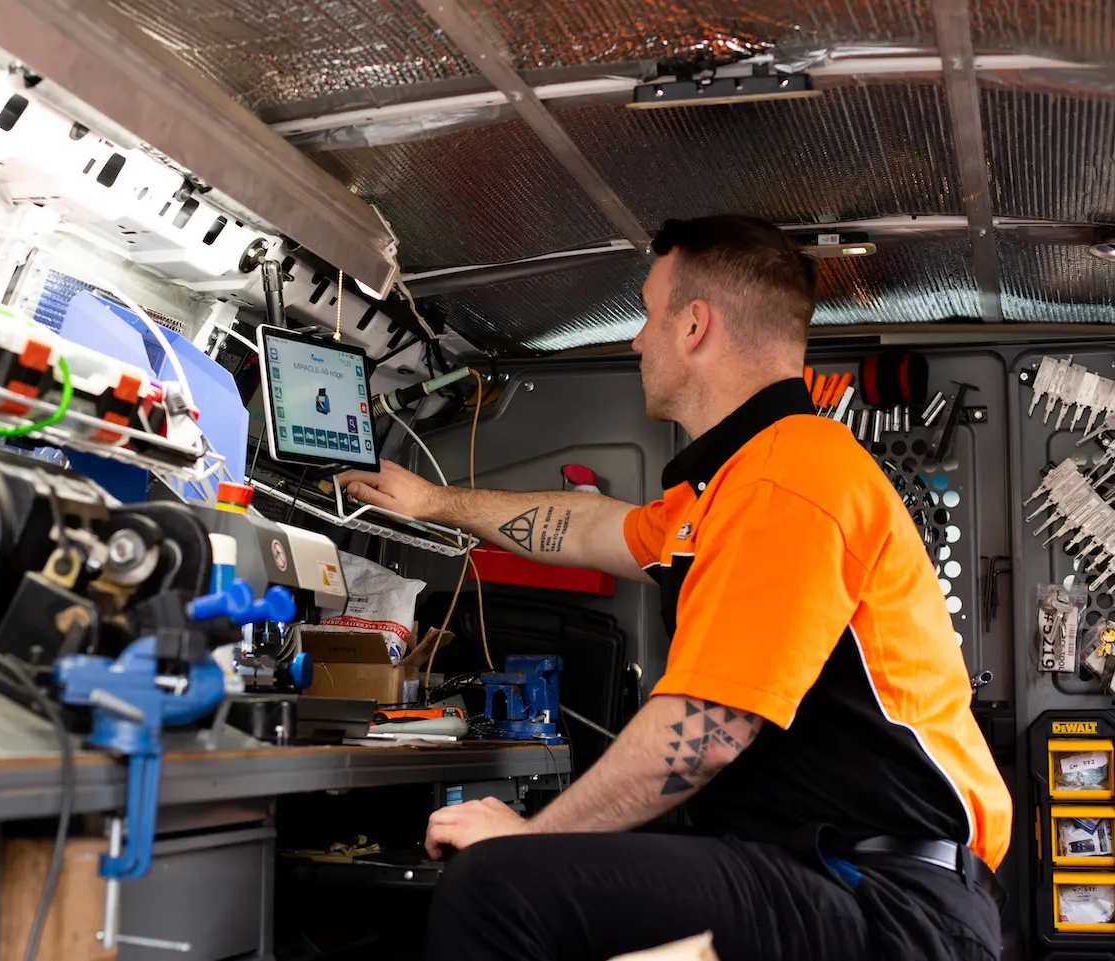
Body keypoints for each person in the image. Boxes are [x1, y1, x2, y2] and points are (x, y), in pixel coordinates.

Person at [339, 215, 1011, 961]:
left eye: (648, 314)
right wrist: (434, 503)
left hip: (886, 902)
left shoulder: (791, 477)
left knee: (497, 887)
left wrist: (529, 837)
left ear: (693, 326)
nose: (635, 339)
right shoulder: (729, 489)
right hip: (821, 871)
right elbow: (587, 526)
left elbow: (704, 734)